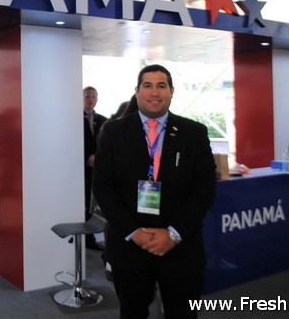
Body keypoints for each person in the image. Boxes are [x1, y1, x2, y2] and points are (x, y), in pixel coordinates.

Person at [92, 64, 216, 319]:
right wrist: (133, 232)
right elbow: (103, 187)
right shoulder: (113, 132)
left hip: (181, 248)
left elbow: (204, 189)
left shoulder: (194, 132)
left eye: (162, 85)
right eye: (147, 85)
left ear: (171, 91)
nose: (155, 92)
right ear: (137, 91)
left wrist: (173, 234)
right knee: (132, 313)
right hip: (129, 249)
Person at [83, 86, 107, 250]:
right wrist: (87, 157)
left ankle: (91, 237)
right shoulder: (73, 118)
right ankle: (85, 237)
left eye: (93, 97)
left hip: (98, 168)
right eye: (87, 96)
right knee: (83, 201)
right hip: (79, 168)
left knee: (94, 202)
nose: (90, 99)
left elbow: (106, 143)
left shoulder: (104, 120)